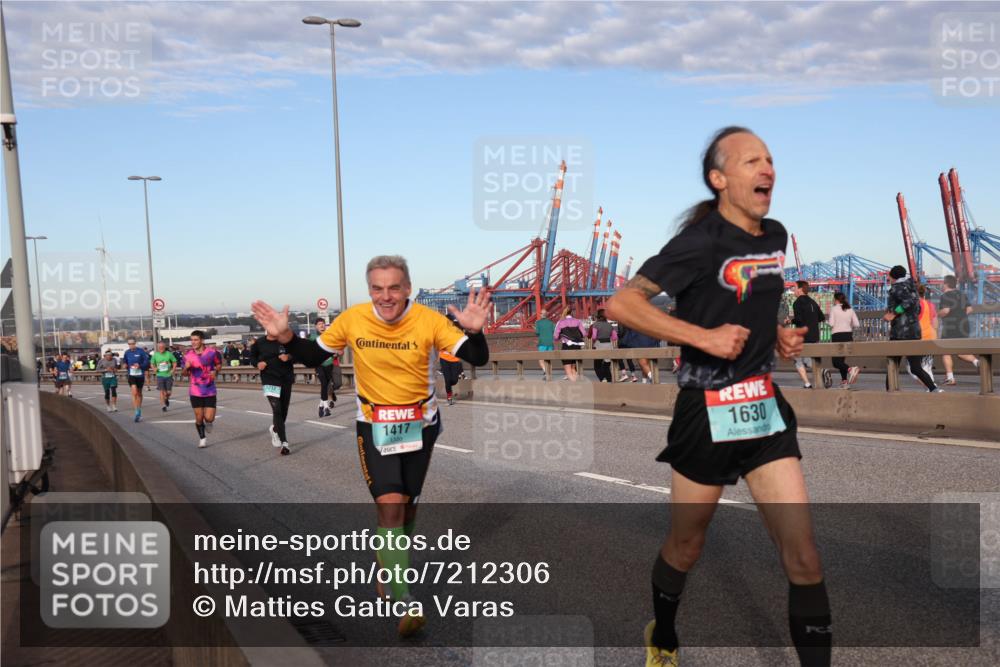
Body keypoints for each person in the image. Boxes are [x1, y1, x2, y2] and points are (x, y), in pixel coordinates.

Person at [606, 126, 830, 667]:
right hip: (706, 411)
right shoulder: (697, 244)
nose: (766, 169)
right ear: (719, 178)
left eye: (770, 159)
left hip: (763, 406)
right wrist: (703, 338)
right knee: (687, 546)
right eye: (751, 160)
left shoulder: (774, 235)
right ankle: (662, 634)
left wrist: (778, 335)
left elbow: (755, 300)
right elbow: (622, 305)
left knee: (804, 557)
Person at [251, 254, 490, 638]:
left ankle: (387, 568)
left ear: (408, 289)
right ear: (370, 291)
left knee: (408, 506)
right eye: (378, 288)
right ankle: (405, 599)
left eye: (394, 287)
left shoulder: (429, 320)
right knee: (391, 504)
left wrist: (475, 332)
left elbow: (476, 356)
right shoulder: (354, 319)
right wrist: (287, 338)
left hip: (421, 424)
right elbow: (316, 355)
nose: (386, 296)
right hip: (374, 424)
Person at [883, 265, 940, 392]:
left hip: (900, 333)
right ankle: (934, 389)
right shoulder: (912, 287)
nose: (888, 277)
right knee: (915, 367)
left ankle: (889, 394)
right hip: (914, 331)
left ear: (892, 276)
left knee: (892, 365)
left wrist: (893, 313)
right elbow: (916, 306)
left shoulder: (896, 288)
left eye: (889, 275)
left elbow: (907, 302)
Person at [251, 331, 295, 455]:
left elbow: (297, 354)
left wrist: (289, 357)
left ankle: (275, 429)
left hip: (286, 377)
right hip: (269, 379)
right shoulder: (259, 343)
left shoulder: (286, 341)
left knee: (284, 409)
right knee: (277, 409)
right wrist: (257, 364)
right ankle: (284, 443)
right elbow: (252, 358)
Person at [182, 330, 223, 448]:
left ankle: (209, 423)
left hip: (209, 389)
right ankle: (202, 438)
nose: (193, 342)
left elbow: (219, 364)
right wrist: (186, 368)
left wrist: (216, 371)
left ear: (202, 340)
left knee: (209, 418)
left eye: (196, 340)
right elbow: (184, 374)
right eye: (192, 340)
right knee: (199, 418)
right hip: (195, 390)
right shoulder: (188, 355)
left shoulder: (212, 353)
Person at [938, 274, 979, 384]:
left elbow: (945, 311)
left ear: (946, 284)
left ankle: (950, 378)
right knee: (960, 352)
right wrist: (960, 315)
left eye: (943, 283)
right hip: (964, 326)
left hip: (950, 327)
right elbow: (969, 309)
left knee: (945, 352)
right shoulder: (962, 295)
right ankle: (976, 362)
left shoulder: (945, 296)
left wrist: (938, 314)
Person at [790, 281, 824, 389]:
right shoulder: (813, 302)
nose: (793, 289)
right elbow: (821, 318)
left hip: (803, 336)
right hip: (815, 336)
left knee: (797, 358)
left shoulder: (797, 303)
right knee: (809, 359)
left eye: (794, 287)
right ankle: (823, 371)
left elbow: (799, 320)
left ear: (800, 289)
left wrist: (791, 321)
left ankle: (807, 383)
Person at [827, 292, 860, 387]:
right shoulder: (850, 309)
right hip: (848, 336)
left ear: (836, 299)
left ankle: (851, 369)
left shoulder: (834, 309)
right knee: (841, 361)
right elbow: (857, 324)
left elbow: (831, 324)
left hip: (837, 336)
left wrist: (827, 323)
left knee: (836, 362)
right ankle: (844, 381)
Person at [310, 318, 339, 417]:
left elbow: (334, 348)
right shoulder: (312, 337)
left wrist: (335, 354)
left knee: (326, 385)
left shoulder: (329, 336)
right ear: (316, 326)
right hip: (319, 365)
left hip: (329, 364)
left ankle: (321, 405)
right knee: (323, 383)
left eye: (323, 324)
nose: (322, 326)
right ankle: (326, 408)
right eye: (319, 324)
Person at [121, 338, 150, 421]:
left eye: (132, 343)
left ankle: (139, 408)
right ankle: (136, 411)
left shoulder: (141, 351)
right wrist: (125, 365)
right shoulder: (127, 352)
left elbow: (146, 362)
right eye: (129, 344)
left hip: (140, 375)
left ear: (135, 343)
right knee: (134, 392)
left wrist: (140, 365)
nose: (131, 345)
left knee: (139, 393)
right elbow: (124, 362)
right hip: (131, 375)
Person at [554, 306, 586, 381]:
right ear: (572, 312)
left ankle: (575, 387)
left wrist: (560, 337)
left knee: (568, 370)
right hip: (577, 346)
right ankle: (578, 387)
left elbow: (555, 336)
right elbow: (584, 334)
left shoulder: (560, 322)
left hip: (567, 346)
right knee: (573, 368)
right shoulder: (578, 321)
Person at [914, 283, 938, 383]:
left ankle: (932, 387)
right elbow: (936, 323)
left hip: (919, 338)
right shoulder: (931, 305)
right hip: (931, 337)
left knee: (913, 368)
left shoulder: (915, 305)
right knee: (927, 367)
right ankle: (932, 389)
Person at [589, 308, 618, 382]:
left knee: (597, 365)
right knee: (606, 365)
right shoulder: (610, 325)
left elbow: (594, 336)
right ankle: (609, 380)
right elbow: (615, 337)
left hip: (599, 345)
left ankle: (602, 379)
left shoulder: (595, 325)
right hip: (609, 345)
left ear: (597, 316)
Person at [150, 340, 176, 412]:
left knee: (168, 393)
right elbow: (152, 363)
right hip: (160, 375)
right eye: (159, 347)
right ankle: (163, 406)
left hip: (168, 375)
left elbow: (174, 362)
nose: (161, 348)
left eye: (162, 347)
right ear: (158, 348)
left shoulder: (169, 354)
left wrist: (173, 370)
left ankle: (166, 399)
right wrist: (154, 368)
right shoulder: (155, 355)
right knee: (162, 391)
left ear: (165, 347)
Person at [534, 310, 556, 380]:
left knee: (541, 359)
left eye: (540, 313)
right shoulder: (551, 323)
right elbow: (554, 332)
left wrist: (535, 329)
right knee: (549, 359)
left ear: (541, 315)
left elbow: (537, 333)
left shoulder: (538, 322)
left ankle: (545, 372)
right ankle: (550, 374)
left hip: (542, 343)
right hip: (550, 343)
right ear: (546, 315)